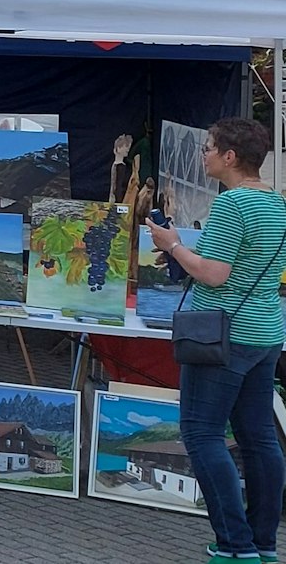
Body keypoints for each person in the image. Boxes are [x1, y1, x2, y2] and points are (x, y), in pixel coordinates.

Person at [148, 117, 285, 563]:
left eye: (208, 147)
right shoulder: (278, 205)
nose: (202, 154)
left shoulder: (233, 205)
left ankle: (235, 544)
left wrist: (172, 245)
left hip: (223, 334)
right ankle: (263, 543)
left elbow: (214, 273)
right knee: (259, 438)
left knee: (201, 433)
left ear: (229, 157)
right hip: (265, 332)